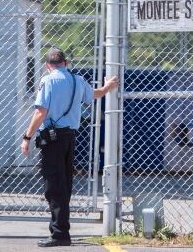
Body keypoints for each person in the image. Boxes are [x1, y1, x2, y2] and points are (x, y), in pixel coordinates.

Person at [20, 47, 119, 248]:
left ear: (47, 65)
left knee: (53, 186)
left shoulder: (47, 80)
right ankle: (61, 230)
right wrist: (108, 86)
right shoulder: (78, 80)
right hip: (69, 137)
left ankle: (59, 234)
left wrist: (27, 137)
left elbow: (40, 113)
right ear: (65, 63)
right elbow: (95, 94)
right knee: (64, 185)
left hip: (52, 139)